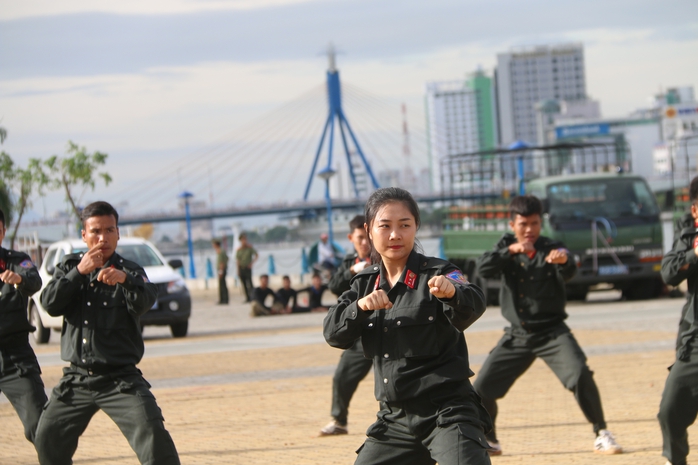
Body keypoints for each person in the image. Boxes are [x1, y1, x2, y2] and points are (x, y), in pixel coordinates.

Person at [324, 187, 492, 465]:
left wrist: (451, 293)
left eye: (404, 225)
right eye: (385, 226)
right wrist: (361, 307)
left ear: (416, 227)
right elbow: (333, 333)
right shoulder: (363, 284)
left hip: (447, 413)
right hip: (394, 420)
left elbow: (474, 301)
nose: (395, 235)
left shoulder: (439, 272)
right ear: (368, 230)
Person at [474, 195, 622, 456]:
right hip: (518, 334)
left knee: (580, 374)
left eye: (534, 223)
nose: (529, 230)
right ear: (512, 225)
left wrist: (564, 261)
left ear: (541, 223)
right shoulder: (506, 247)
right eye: (523, 224)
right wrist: (510, 251)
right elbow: (483, 268)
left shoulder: (552, 248)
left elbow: (570, 267)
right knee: (481, 388)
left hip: (552, 332)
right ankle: (490, 440)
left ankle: (601, 433)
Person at [34, 201, 180, 465]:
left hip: (120, 379)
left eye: (110, 230)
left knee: (153, 435)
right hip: (76, 379)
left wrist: (124, 280)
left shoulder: (131, 270)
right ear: (84, 235)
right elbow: (49, 303)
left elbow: (146, 301)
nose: (103, 238)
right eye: (96, 231)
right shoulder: (69, 267)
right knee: (47, 437)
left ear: (118, 233)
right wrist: (80, 272)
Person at [320, 214, 374, 436]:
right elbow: (334, 286)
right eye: (359, 238)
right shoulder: (348, 264)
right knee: (342, 376)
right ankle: (339, 420)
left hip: (389, 328)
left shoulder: (386, 260)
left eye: (367, 237)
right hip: (359, 336)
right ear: (351, 237)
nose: (364, 243)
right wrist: (354, 270)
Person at [658, 175, 698, 465]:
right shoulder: (688, 237)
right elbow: (669, 274)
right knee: (670, 412)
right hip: (695, 344)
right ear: (695, 211)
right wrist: (695, 253)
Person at [0, 208, 46, 445]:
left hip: (15, 358)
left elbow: (34, 281)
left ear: (3, 231)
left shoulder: (16, 261)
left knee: (42, 427)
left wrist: (18, 279)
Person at [236, 233, 257, 303]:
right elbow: (238, 260)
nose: (244, 241)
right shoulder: (239, 250)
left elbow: (256, 255)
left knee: (250, 283)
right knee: (244, 284)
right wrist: (238, 270)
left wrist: (252, 263)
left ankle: (253, 297)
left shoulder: (249, 248)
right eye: (243, 240)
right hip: (242, 268)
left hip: (248, 268)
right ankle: (247, 298)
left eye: (245, 239)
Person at [212, 239, 229, 305]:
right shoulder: (222, 251)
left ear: (216, 245)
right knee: (222, 285)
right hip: (222, 269)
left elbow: (221, 262)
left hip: (221, 270)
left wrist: (221, 271)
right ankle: (223, 299)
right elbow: (227, 258)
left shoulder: (220, 251)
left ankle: (224, 299)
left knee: (222, 285)